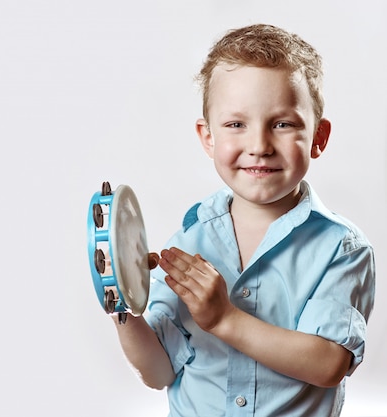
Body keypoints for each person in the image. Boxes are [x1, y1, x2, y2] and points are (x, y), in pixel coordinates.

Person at [111, 24, 376, 416]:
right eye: (236, 124)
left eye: (282, 124)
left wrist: (224, 319)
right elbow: (159, 371)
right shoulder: (190, 238)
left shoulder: (341, 248)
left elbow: (329, 364)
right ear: (208, 137)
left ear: (319, 137)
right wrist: (125, 309)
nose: (259, 146)